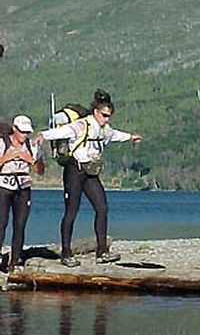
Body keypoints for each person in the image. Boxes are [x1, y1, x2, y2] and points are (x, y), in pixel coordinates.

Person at [34, 92, 141, 267]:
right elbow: (62, 131)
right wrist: (43, 135)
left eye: (109, 116)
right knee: (71, 211)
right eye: (104, 115)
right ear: (95, 111)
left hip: (90, 173)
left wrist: (131, 137)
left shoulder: (104, 130)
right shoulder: (81, 125)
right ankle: (66, 253)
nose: (106, 119)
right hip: (75, 170)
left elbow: (116, 135)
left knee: (102, 208)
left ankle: (102, 252)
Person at [0, 116, 44, 272]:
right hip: (4, 187)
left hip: (24, 188)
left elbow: (40, 171)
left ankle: (15, 260)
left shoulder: (32, 146)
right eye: (22, 132)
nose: (24, 135)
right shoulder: (2, 143)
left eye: (27, 132)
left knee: (19, 225)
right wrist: (6, 158)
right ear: (14, 129)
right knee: (1, 223)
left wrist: (30, 160)